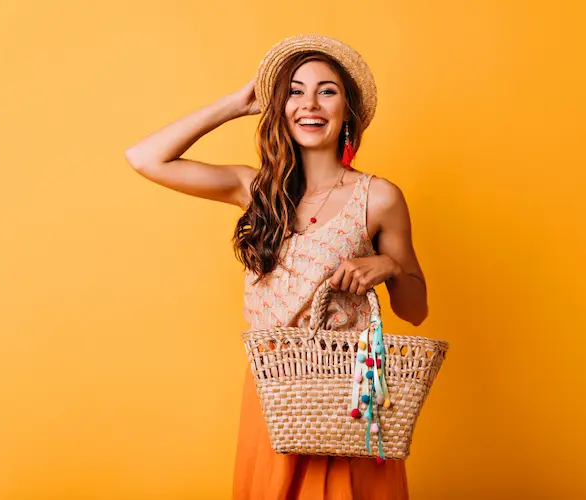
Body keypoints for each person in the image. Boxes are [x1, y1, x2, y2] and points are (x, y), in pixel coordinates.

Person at [124, 33, 428, 500]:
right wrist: (234, 103)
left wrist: (387, 264)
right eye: (294, 90)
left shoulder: (379, 197)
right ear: (279, 109)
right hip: (277, 388)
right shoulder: (254, 189)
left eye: (327, 91)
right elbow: (144, 158)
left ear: (347, 111)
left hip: (350, 392)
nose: (311, 103)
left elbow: (415, 310)